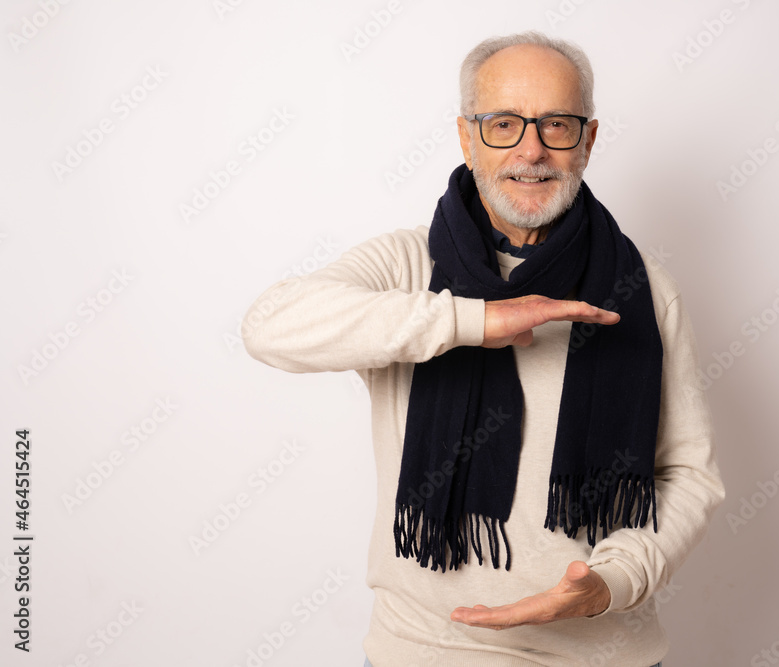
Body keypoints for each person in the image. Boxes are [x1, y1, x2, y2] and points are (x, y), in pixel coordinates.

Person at [243, 31, 724, 667]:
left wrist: (613, 582)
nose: (532, 150)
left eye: (557, 124)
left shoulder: (641, 288)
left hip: (604, 654)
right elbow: (270, 325)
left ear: (588, 139)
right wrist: (473, 322)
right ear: (468, 138)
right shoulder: (407, 266)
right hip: (423, 652)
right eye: (503, 124)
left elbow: (688, 474)